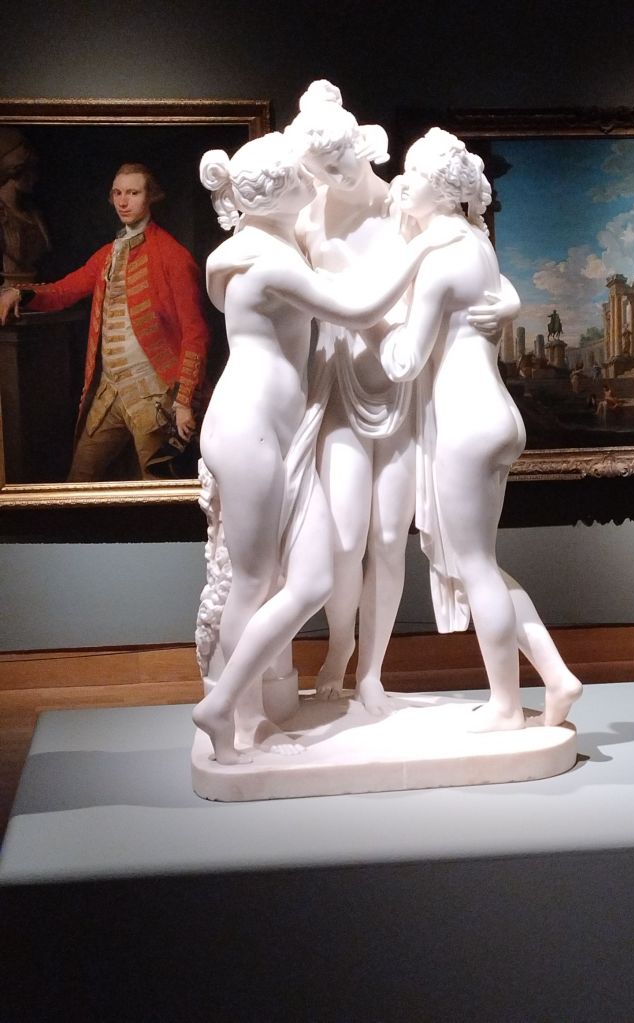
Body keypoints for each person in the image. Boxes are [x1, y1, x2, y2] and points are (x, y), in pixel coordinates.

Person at [192, 132, 462, 764]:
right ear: (280, 195)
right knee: (254, 580)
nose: (312, 182)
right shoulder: (268, 259)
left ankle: (224, 707)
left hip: (281, 430)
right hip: (250, 428)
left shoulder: (254, 247)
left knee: (310, 579)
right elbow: (358, 307)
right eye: (300, 176)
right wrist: (422, 249)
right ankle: (241, 725)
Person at [287, 81, 519, 715]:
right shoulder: (308, 219)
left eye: (340, 162)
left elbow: (471, 261)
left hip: (403, 387)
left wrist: (509, 302)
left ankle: (372, 671)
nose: (333, 177)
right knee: (343, 536)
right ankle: (339, 645)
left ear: (364, 148)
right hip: (342, 380)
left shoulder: (404, 203)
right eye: (321, 170)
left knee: (389, 536)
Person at [366, 127, 582, 730]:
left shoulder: (439, 262)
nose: (402, 184)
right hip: (495, 416)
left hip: (466, 423)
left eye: (413, 174)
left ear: (438, 189)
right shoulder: (477, 242)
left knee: (476, 567)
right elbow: (501, 292)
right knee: (480, 563)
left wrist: (369, 321)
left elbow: (405, 362)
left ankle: (506, 706)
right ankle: (557, 677)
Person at [0, 163, 210, 481]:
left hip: (153, 394)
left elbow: (196, 333)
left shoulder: (173, 255)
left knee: (155, 488)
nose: (123, 201)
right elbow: (64, 291)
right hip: (109, 391)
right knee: (79, 481)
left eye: (133, 193)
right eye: (117, 193)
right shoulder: (109, 254)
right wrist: (20, 292)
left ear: (150, 197)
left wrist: (183, 402)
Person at [0, 127, 50, 287]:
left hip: (34, 291)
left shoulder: (34, 214)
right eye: (30, 170)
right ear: (13, 170)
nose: (36, 177)